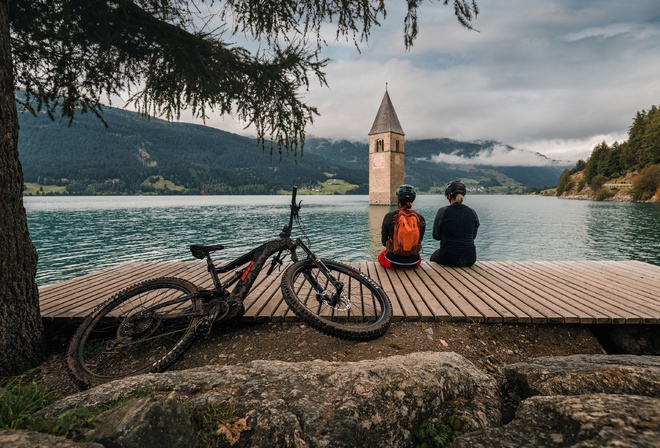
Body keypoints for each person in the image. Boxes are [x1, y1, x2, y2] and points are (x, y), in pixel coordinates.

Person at [430, 180, 480, 267]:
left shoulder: (442, 211)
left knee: (433, 256)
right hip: (470, 258)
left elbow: (436, 236)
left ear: (448, 195)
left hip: (447, 257)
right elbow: (473, 236)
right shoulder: (472, 212)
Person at [378, 184, 426, 269]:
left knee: (381, 256)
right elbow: (419, 241)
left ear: (398, 199)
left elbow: (383, 242)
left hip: (393, 262)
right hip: (414, 262)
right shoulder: (420, 218)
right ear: (413, 199)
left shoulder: (389, 216)